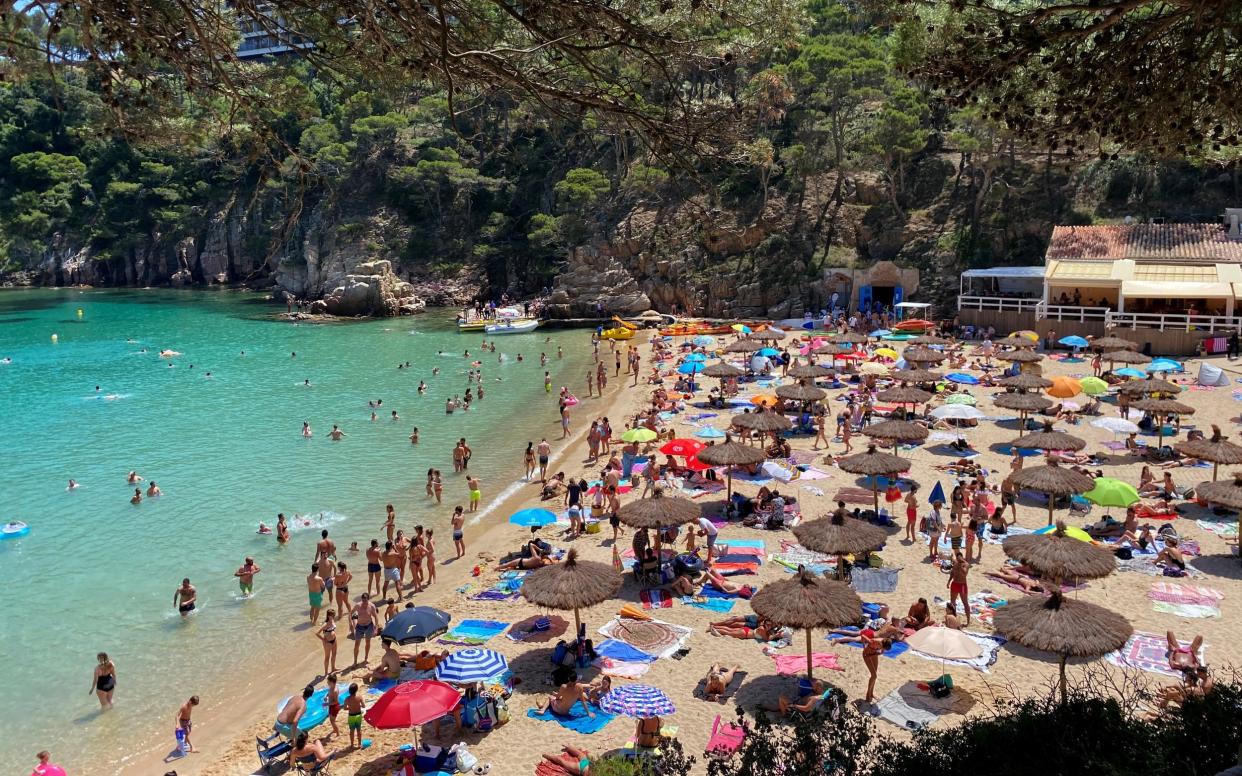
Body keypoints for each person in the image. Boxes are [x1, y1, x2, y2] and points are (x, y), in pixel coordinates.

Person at [862, 630, 890, 704]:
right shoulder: (873, 642)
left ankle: (871, 694)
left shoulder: (884, 642)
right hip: (866, 655)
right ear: (882, 645)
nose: (883, 650)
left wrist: (872, 655)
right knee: (874, 676)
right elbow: (862, 636)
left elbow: (880, 652)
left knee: (875, 675)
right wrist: (864, 646)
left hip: (873, 654)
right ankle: (868, 695)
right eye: (883, 648)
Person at [947, 552, 970, 626]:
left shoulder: (965, 564)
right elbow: (952, 572)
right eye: (957, 558)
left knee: (965, 603)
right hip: (955, 584)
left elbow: (965, 573)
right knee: (952, 602)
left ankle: (968, 621)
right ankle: (954, 618)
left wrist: (960, 565)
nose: (958, 559)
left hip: (962, 584)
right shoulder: (955, 563)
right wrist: (949, 581)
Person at [343, 683, 365, 749]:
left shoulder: (347, 699)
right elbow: (363, 706)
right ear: (356, 690)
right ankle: (359, 744)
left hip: (351, 716)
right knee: (359, 730)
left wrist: (350, 707)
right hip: (358, 715)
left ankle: (352, 744)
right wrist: (359, 706)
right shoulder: (359, 697)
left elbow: (344, 708)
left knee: (352, 731)